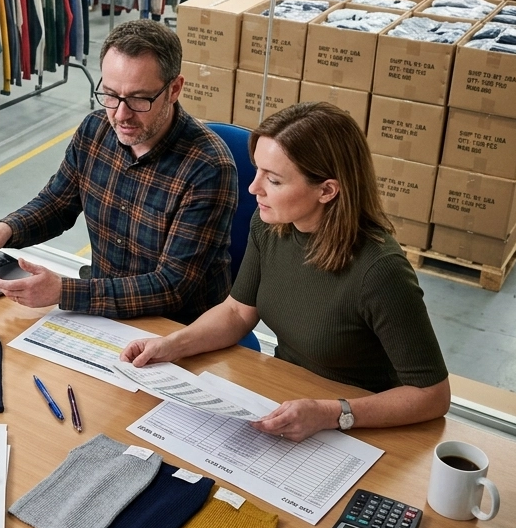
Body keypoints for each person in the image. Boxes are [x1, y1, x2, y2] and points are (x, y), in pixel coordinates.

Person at [121, 102, 451, 442]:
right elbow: (237, 311)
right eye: (258, 171)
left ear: (327, 190)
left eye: (274, 180)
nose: (254, 188)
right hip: (287, 396)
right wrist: (172, 345)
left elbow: (433, 396)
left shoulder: (381, 271)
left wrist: (331, 414)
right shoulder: (271, 227)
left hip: (359, 423)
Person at [0, 20, 236, 322]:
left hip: (177, 327)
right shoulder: (95, 129)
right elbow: (57, 204)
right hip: (105, 312)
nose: (120, 115)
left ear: (174, 89)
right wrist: (6, 229)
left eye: (139, 98)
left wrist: (65, 292)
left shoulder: (208, 167)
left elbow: (171, 287)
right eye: (111, 94)